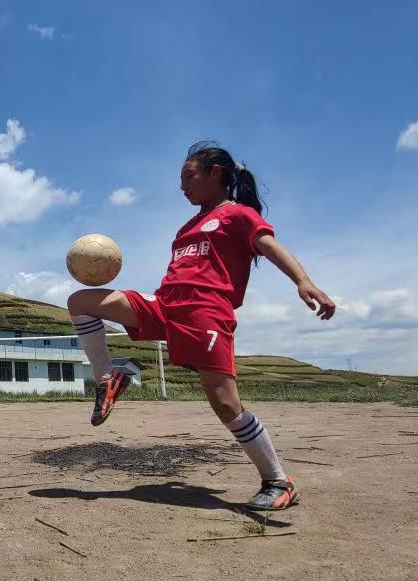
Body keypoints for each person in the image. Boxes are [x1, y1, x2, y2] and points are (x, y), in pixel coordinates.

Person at [67, 141, 335, 511]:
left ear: (217, 174)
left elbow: (270, 245)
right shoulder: (187, 227)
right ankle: (107, 378)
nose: (182, 186)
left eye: (188, 176)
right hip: (165, 304)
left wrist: (303, 281)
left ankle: (278, 481)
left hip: (206, 312)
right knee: (80, 302)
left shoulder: (237, 215)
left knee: (225, 404)